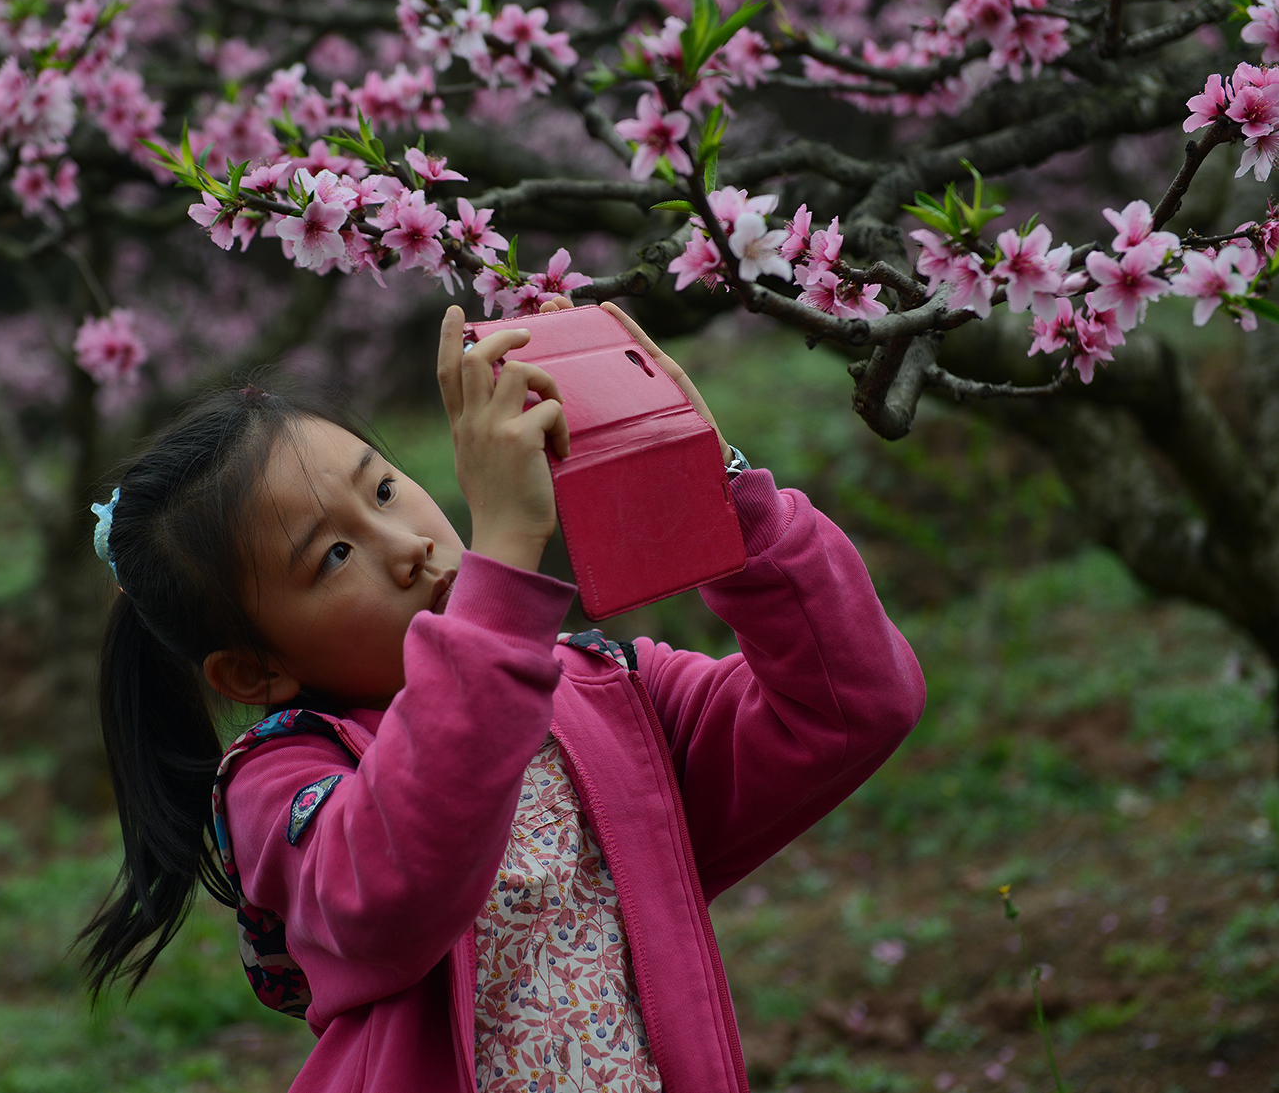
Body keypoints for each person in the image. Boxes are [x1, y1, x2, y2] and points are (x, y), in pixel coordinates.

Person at [78, 296, 926, 1093]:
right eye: (332, 556)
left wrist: (708, 477)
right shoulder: (282, 783)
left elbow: (850, 706)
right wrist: (505, 554)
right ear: (254, 671)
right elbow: (407, 873)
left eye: (381, 490)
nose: (405, 543)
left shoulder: (605, 693)